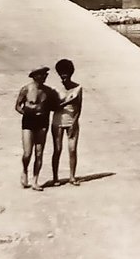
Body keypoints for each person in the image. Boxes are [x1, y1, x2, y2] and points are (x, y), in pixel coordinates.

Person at [15, 66, 60, 190]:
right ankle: (25, 170)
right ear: (35, 76)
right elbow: (18, 106)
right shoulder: (26, 89)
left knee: (39, 153)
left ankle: (35, 180)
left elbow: (55, 106)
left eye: (46, 74)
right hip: (28, 122)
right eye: (42, 74)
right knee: (27, 153)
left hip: (42, 122)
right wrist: (26, 112)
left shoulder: (49, 91)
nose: (45, 77)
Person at [50, 58, 84, 186]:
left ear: (70, 73)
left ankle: (72, 176)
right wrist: (67, 102)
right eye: (61, 74)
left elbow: (79, 107)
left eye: (66, 74)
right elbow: (53, 107)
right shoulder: (55, 89)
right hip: (57, 121)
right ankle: (55, 177)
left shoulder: (78, 88)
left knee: (72, 150)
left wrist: (75, 122)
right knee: (57, 149)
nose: (63, 77)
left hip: (72, 121)